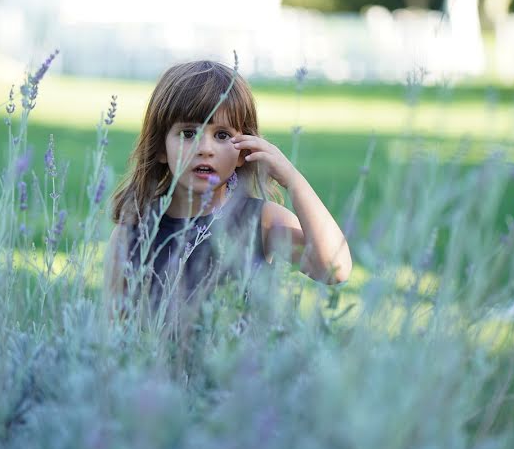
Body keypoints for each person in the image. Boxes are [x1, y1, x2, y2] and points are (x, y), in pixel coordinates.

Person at [105, 60, 352, 314]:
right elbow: (113, 332)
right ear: (160, 148)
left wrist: (292, 180)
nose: (205, 149)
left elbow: (334, 269)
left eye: (222, 135)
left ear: (245, 150)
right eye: (188, 133)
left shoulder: (261, 221)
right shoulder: (134, 233)